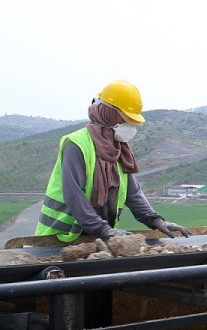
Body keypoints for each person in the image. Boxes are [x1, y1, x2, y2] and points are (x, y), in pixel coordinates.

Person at [36, 80, 190, 242]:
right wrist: (105, 231)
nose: (130, 126)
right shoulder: (76, 144)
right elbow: (74, 195)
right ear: (109, 113)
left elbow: (132, 192)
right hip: (58, 238)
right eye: (126, 120)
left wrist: (155, 220)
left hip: (96, 237)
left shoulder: (119, 148)